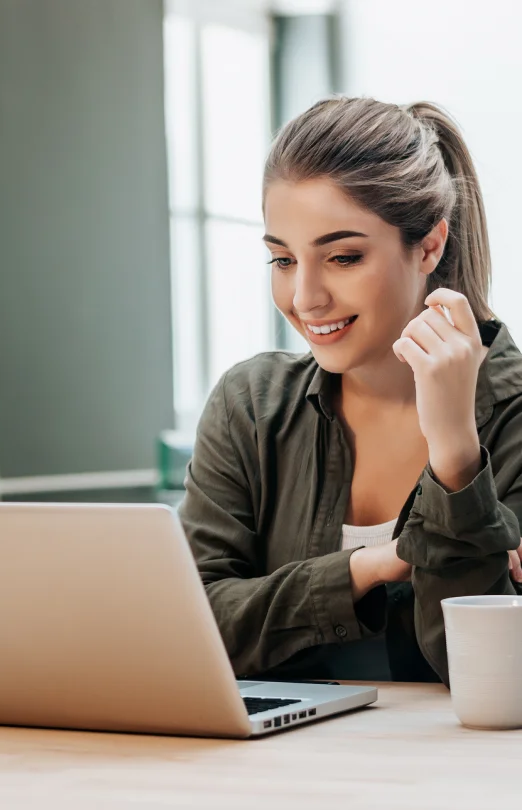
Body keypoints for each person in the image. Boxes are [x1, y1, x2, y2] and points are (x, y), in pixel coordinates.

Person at [178, 97, 522, 685]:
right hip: (264, 770)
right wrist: (370, 566)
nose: (305, 297)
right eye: (282, 259)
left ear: (429, 247)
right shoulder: (251, 407)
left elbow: (494, 676)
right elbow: (189, 629)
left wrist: (456, 456)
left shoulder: (512, 417)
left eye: (342, 257)